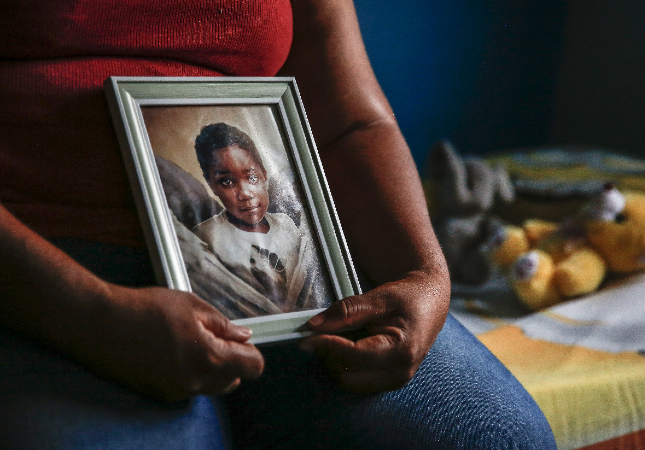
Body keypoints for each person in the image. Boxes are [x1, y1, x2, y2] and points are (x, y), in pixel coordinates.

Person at [0, 0, 556, 448]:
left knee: (506, 439)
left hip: (293, 298)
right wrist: (90, 317)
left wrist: (425, 275)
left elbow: (350, 121)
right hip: (44, 269)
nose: (243, 192)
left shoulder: (285, 236)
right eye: (226, 182)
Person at [192, 123, 327, 312]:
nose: (245, 193)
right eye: (227, 181)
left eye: (252, 177)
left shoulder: (285, 224)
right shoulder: (205, 236)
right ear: (212, 185)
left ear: (264, 174)